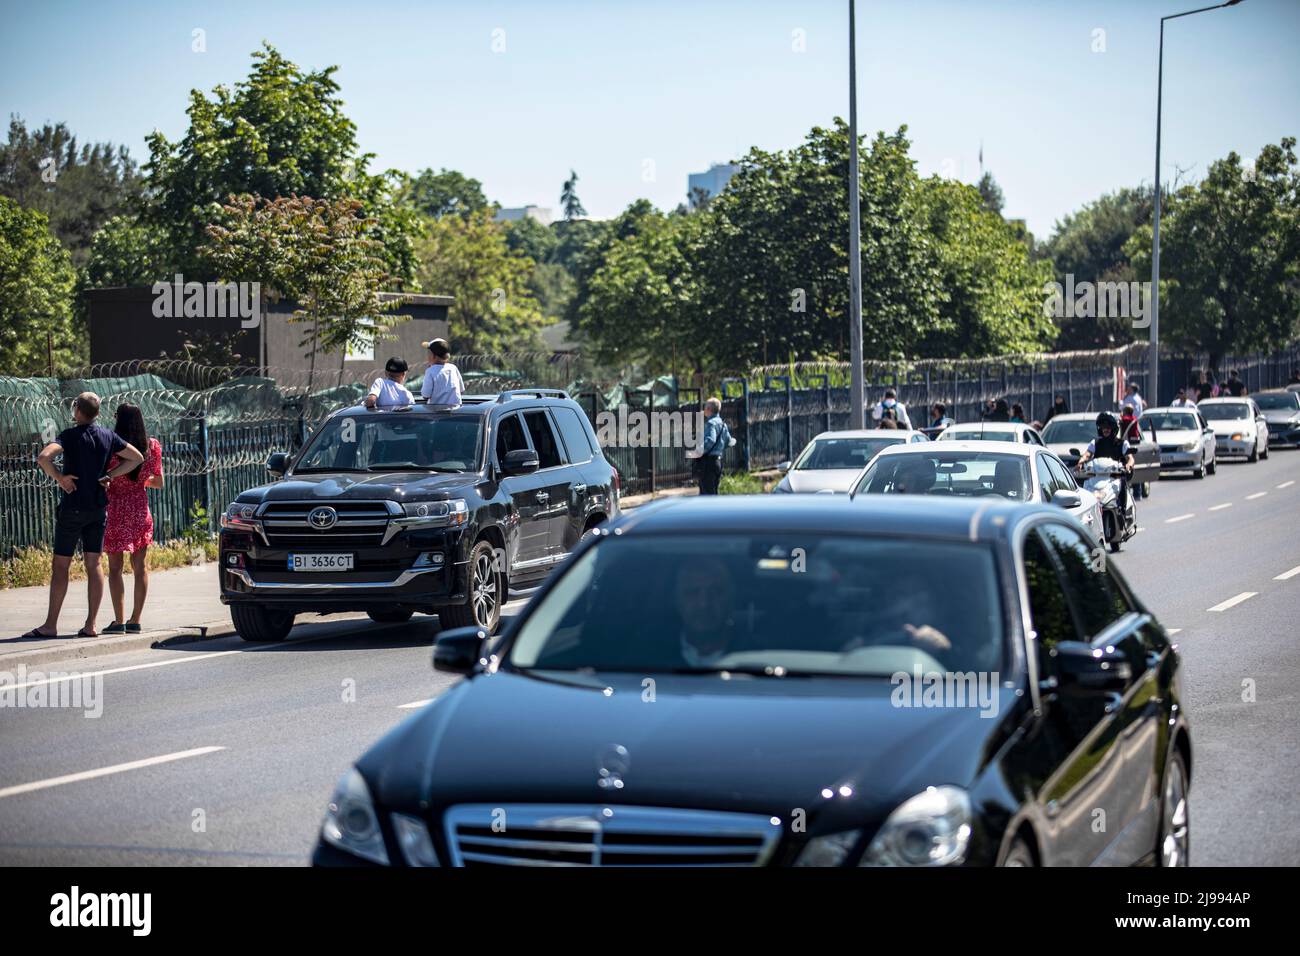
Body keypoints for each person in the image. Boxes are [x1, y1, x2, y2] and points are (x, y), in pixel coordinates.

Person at [23, 392, 143, 639]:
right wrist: (111, 475)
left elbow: (44, 457)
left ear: (77, 410)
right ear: (97, 413)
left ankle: (50, 625)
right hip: (98, 509)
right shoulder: (108, 436)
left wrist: (60, 478)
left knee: (61, 565)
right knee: (94, 564)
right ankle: (91, 625)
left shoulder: (68, 435)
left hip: (73, 508)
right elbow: (136, 458)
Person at [102, 403, 164, 635]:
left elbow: (104, 477)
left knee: (115, 568)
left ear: (119, 420)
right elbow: (158, 482)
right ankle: (135, 619)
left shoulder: (111, 446)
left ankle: (118, 621)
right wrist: (139, 483)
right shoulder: (152, 446)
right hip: (139, 508)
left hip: (116, 508)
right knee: (140, 567)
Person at [1078, 412, 1136, 525]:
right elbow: (1087, 454)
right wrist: (1081, 461)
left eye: (1108, 427)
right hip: (1098, 477)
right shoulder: (1095, 443)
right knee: (1085, 487)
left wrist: (1129, 465)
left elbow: (1130, 458)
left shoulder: (1122, 443)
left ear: (1114, 428)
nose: (1106, 429)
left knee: (1123, 483)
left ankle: (1123, 513)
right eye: (1103, 427)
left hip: (1115, 477)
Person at [695, 397, 732, 495]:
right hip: (717, 462)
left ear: (709, 410)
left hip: (708, 464)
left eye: (705, 407)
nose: (704, 410)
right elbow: (728, 441)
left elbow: (711, 439)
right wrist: (719, 449)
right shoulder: (723, 424)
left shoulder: (711, 423)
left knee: (706, 495)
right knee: (714, 493)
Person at [420, 338, 464, 406]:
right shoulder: (453, 368)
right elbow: (461, 390)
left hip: (438, 413)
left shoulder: (430, 371)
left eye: (429, 353)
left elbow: (426, 395)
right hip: (456, 410)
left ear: (433, 355)